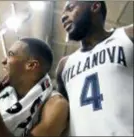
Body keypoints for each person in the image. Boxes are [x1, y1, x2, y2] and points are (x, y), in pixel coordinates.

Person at [0, 38, 69, 136]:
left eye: (10, 54)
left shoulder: (56, 104)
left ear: (31, 65)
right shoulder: (6, 93)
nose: (3, 61)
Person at [56, 1, 133, 136]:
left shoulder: (128, 36)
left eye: (70, 8)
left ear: (95, 6)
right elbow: (62, 119)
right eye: (63, 12)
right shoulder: (64, 66)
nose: (63, 16)